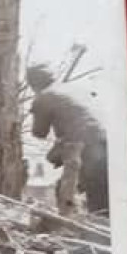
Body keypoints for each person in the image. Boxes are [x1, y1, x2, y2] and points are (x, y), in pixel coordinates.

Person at [27, 63, 108, 215]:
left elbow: (39, 133)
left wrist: (38, 106)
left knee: (97, 197)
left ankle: (98, 233)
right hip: (109, 139)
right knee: (104, 190)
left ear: (33, 84)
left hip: (89, 144)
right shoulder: (75, 89)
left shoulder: (45, 97)